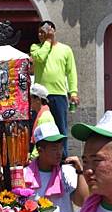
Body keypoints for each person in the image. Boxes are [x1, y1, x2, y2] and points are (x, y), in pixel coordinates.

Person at [30, 20, 79, 158]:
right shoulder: (35, 47)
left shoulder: (65, 49)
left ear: (53, 31)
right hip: (40, 96)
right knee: (40, 127)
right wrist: (48, 41)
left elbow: (71, 72)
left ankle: (63, 158)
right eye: (39, 32)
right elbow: (40, 57)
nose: (41, 34)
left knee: (61, 128)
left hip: (59, 94)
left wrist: (73, 92)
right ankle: (40, 157)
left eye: (44, 32)